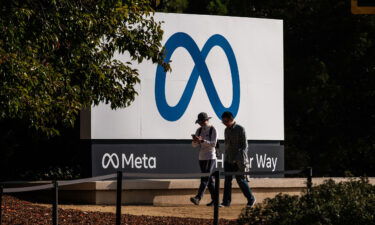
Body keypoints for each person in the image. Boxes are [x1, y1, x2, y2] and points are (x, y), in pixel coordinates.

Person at [220, 111, 256, 207]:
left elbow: (245, 146)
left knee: (241, 180)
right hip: (228, 160)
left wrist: (238, 158)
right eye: (223, 121)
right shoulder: (226, 130)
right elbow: (227, 145)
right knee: (227, 181)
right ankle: (226, 202)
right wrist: (227, 157)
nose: (224, 123)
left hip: (239, 160)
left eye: (226, 121)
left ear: (231, 120)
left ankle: (251, 199)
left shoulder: (240, 129)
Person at [190, 112, 217, 206]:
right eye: (199, 122)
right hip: (201, 157)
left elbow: (213, 144)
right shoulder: (199, 130)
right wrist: (195, 141)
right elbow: (194, 145)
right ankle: (215, 200)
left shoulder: (213, 129)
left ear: (207, 120)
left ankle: (198, 197)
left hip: (210, 156)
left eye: (202, 122)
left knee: (205, 177)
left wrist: (203, 141)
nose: (200, 124)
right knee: (209, 180)